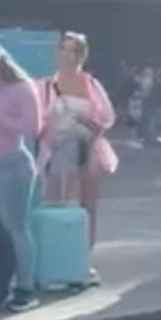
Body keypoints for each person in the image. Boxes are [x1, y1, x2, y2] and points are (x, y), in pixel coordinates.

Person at [37, 32, 117, 286]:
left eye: (72, 50)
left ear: (81, 55)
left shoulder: (90, 84)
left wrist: (85, 125)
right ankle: (56, 261)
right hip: (55, 154)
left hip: (86, 151)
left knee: (86, 208)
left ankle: (82, 261)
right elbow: (36, 121)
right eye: (63, 49)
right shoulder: (47, 85)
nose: (66, 54)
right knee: (54, 205)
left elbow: (107, 117)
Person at [0, 45, 43, 312]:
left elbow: (33, 128)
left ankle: (26, 288)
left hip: (14, 166)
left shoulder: (23, 88)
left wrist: (2, 118)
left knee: (16, 227)